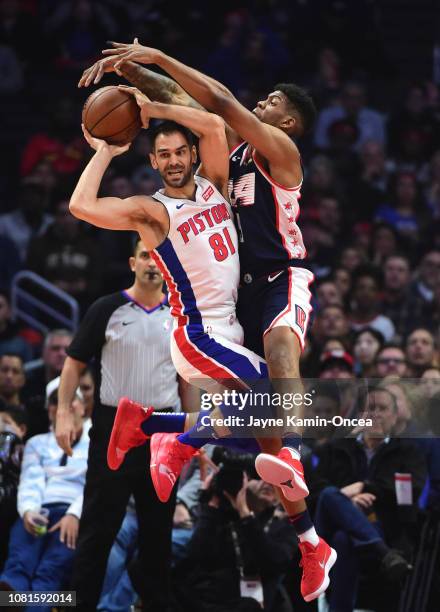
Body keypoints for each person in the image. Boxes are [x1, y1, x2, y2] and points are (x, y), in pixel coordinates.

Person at [68, 89, 335, 602]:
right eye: (161, 154)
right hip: (197, 337)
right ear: (152, 161)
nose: (171, 161)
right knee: (274, 405)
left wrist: (154, 110)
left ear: (192, 155)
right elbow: (81, 206)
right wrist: (105, 149)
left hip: (231, 332)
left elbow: (215, 124)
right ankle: (178, 441)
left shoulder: (216, 186)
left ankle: (310, 545)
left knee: (267, 435)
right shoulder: (152, 211)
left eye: (178, 152)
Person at [55, 237, 193, 612]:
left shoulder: (183, 315)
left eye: (160, 258)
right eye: (147, 255)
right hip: (113, 428)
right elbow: (73, 362)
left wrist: (192, 437)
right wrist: (64, 412)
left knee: (158, 535)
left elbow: (186, 382)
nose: (153, 263)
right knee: (98, 533)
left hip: (163, 431)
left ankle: (155, 605)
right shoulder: (107, 308)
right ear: (133, 262)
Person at [0, 389, 88, 609]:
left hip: (74, 514)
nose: (63, 406)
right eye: (55, 402)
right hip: (40, 510)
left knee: (49, 572)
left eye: (70, 401)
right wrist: (29, 511)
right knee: (17, 566)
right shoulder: (36, 443)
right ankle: (11, 600)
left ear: (83, 408)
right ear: (49, 411)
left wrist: (74, 514)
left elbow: (97, 487)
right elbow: (31, 480)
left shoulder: (98, 442)